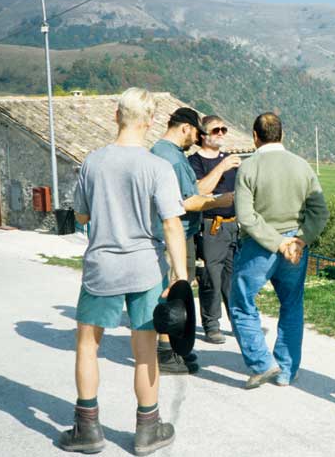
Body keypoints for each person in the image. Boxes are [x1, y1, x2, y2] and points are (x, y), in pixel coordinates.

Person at [60, 87, 184, 455]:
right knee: (145, 348)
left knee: (87, 344)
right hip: (145, 268)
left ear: (116, 115)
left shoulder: (92, 162)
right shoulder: (158, 167)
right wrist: (179, 275)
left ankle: (88, 429)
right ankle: (147, 429)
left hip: (102, 266)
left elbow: (81, 216)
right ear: (149, 123)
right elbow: (172, 225)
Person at [229, 113, 329, 389]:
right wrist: (298, 240)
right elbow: (320, 213)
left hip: (260, 246)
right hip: (296, 247)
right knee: (292, 305)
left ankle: (262, 363)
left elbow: (246, 217)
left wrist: (276, 242)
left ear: (254, 135)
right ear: (282, 135)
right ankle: (286, 371)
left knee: (240, 301)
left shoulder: (248, 168)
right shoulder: (302, 166)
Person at [151, 107, 233, 374]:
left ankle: (175, 347)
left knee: (178, 289)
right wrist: (218, 201)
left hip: (182, 231)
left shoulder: (167, 153)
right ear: (185, 128)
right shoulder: (172, 159)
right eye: (195, 133)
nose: (195, 140)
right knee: (175, 291)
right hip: (176, 231)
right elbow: (186, 200)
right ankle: (166, 351)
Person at [188, 115, 242, 344]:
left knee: (234, 277)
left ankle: (238, 323)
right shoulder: (195, 162)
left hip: (233, 225)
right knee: (212, 276)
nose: (221, 133)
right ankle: (212, 325)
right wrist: (221, 166)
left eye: (223, 129)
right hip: (211, 225)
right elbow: (199, 190)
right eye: (215, 130)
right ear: (202, 136)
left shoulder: (230, 160)